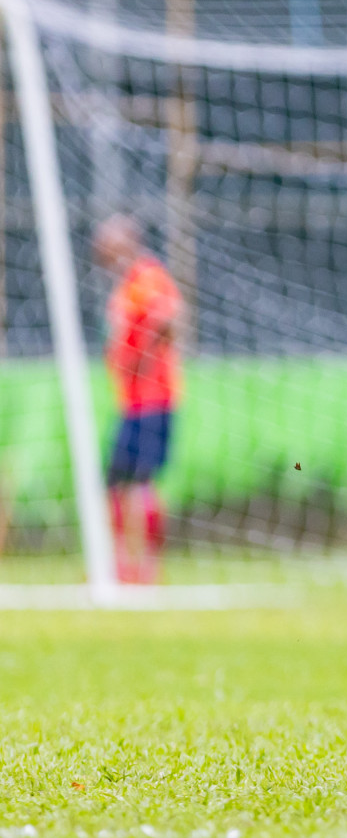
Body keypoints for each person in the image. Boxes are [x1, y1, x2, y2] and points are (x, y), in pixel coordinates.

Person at [94, 215, 183, 585]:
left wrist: (138, 361)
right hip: (131, 402)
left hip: (153, 399)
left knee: (142, 480)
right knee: (117, 481)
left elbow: (168, 317)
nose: (98, 250)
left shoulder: (147, 275)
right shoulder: (126, 283)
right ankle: (121, 564)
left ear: (125, 241)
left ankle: (146, 566)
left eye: (105, 242)